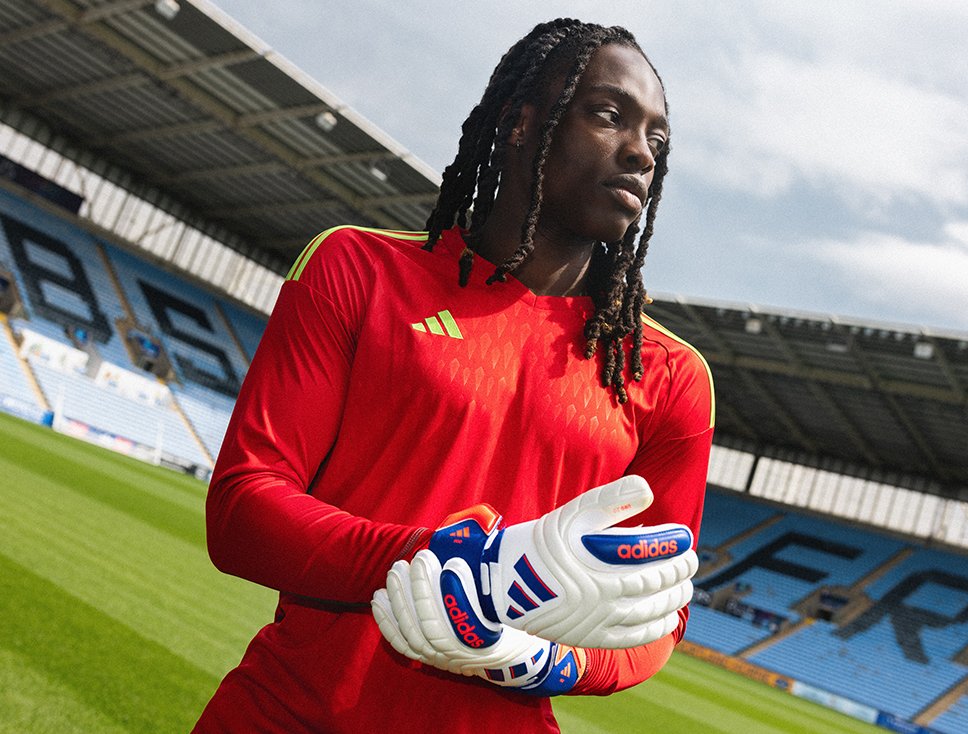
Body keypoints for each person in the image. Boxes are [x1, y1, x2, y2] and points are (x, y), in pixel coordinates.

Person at [194, 18, 714, 734]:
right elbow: (244, 510)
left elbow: (657, 612)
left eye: (656, 141)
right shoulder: (358, 269)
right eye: (608, 115)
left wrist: (543, 661)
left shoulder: (670, 375)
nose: (639, 154)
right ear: (521, 122)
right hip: (284, 715)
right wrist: (458, 563)